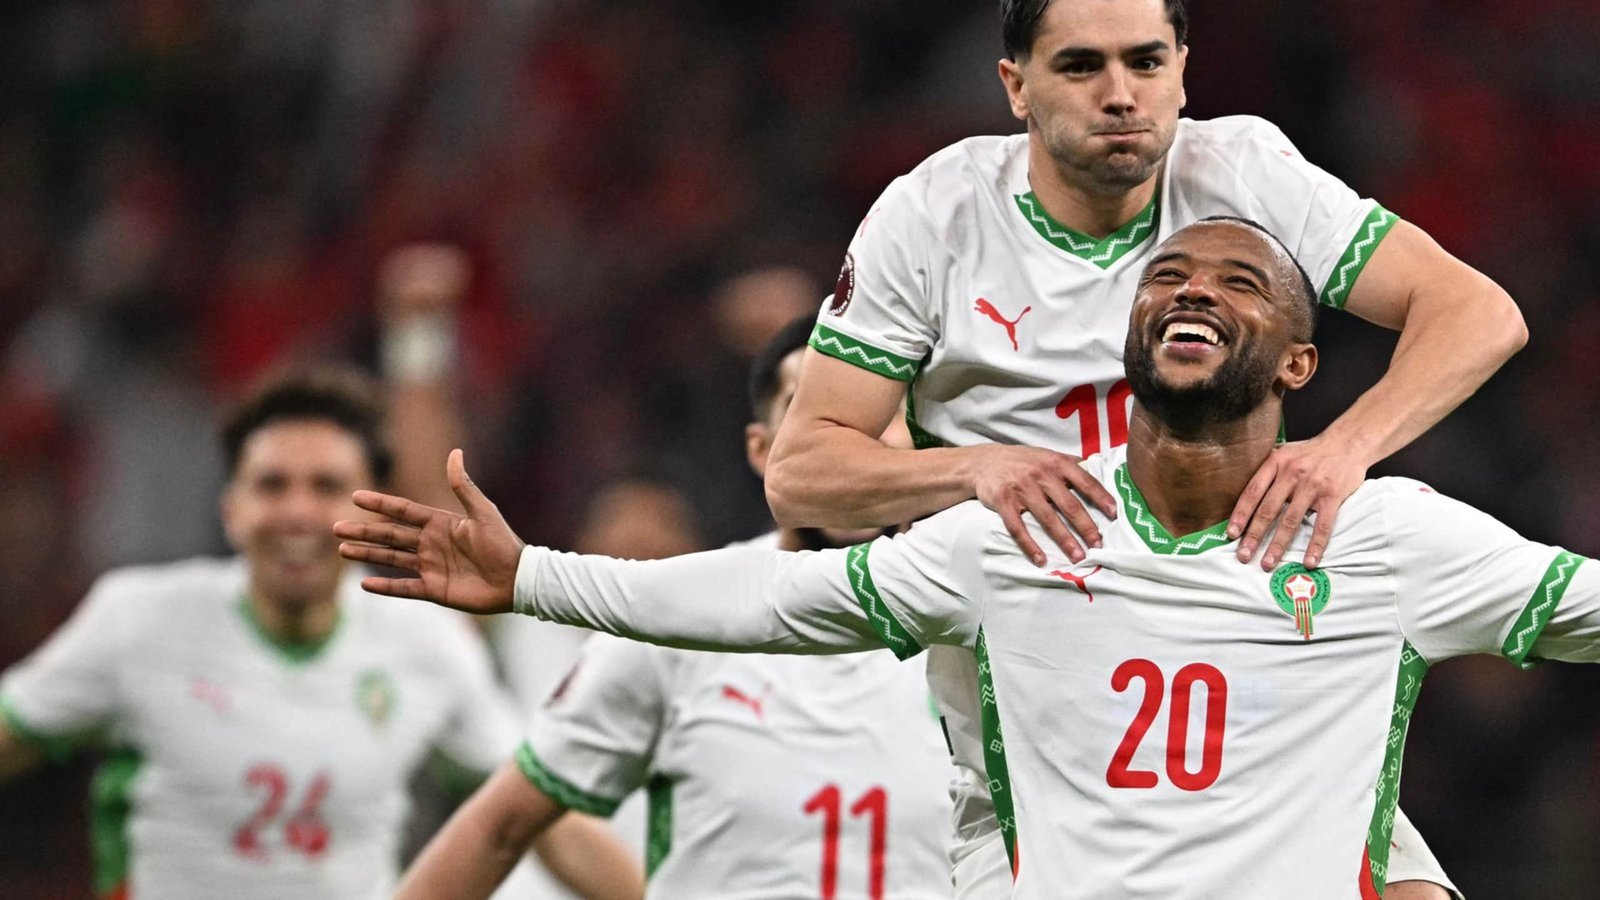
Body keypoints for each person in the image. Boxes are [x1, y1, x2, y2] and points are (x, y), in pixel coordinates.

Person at [333, 219, 1590, 898]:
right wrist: (534, 576)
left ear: (1302, 365)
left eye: (1242, 282)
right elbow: (783, 594)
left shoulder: (1388, 539)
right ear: (1131, 334)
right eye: (1169, 275)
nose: (1194, 289)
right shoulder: (1027, 528)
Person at [761, 1, 1523, 896]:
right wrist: (972, 467)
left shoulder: (1241, 172)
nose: (1122, 95)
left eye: (1146, 63)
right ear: (1016, 86)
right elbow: (803, 475)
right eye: (1082, 66)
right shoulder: (936, 216)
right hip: (1046, 745)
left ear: (1184, 71)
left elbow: (1478, 313)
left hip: (1260, 695)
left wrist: (1343, 448)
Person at [0, 369, 636, 900]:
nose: (299, 512)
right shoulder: (138, 621)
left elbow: (546, 823)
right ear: (232, 508)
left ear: (370, 508)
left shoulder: (427, 642)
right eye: (272, 485)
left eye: (327, 486)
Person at [385, 315, 957, 899]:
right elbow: (500, 826)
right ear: (763, 451)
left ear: (920, 435)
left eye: (878, 415)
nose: (849, 441)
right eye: (811, 412)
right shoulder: (677, 620)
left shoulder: (988, 612)